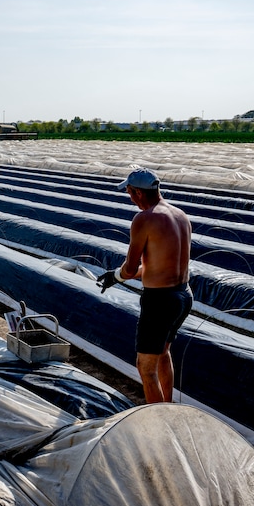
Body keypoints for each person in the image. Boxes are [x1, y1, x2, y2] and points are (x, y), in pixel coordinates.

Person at [97, 167, 192, 403]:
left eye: (129, 193)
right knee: (163, 353)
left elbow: (130, 268)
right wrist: (122, 276)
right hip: (183, 295)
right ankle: (168, 407)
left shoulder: (144, 219)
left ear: (138, 193)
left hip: (160, 301)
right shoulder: (180, 215)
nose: (130, 198)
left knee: (145, 366)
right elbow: (158, 267)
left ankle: (160, 423)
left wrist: (116, 276)